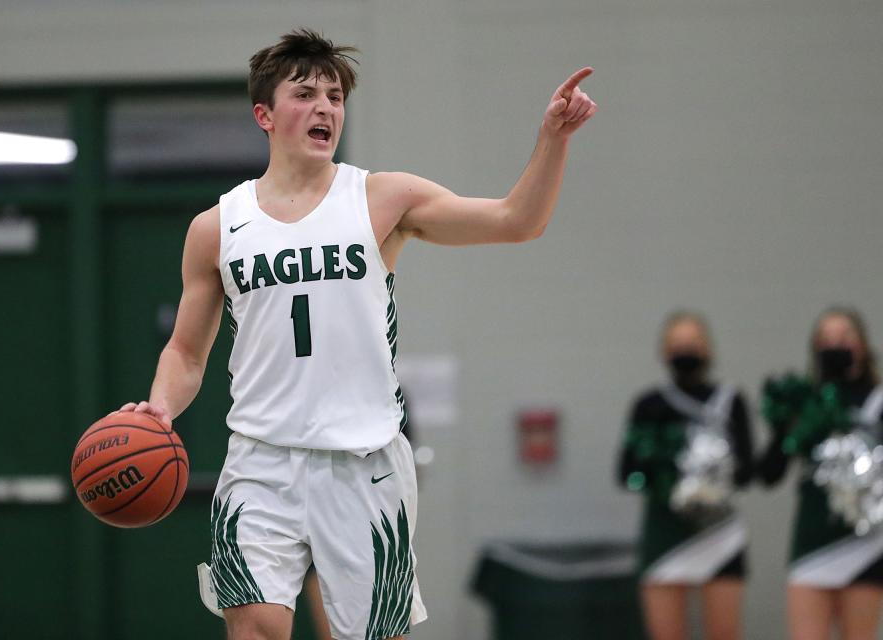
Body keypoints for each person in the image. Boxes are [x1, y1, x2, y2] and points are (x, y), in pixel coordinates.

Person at [116, 28, 596, 640]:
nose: (326, 107)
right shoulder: (216, 227)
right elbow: (185, 351)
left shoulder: (383, 198)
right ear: (264, 114)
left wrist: (552, 141)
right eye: (307, 93)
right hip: (260, 460)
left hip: (364, 463)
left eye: (336, 96)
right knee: (256, 626)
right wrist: (159, 409)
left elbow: (515, 221)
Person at [618, 311, 754, 640]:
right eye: (678, 344)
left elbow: (747, 472)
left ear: (708, 349)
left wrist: (712, 476)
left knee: (724, 632)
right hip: (665, 530)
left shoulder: (730, 401)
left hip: (718, 529)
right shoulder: (648, 405)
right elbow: (626, 473)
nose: (686, 350)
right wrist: (661, 470)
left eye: (693, 343)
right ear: (664, 351)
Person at [757, 307, 883, 640]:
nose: (836, 345)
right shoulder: (803, 400)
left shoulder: (879, 400)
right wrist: (783, 426)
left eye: (845, 336)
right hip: (813, 538)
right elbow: (768, 474)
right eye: (826, 339)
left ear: (863, 343)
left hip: (867, 540)